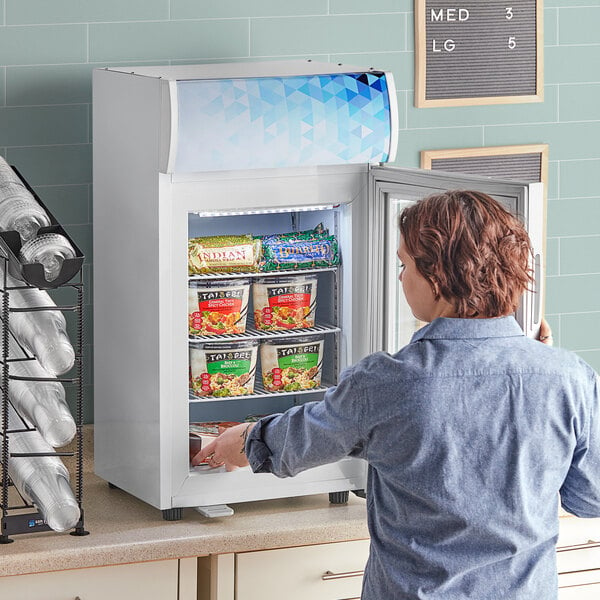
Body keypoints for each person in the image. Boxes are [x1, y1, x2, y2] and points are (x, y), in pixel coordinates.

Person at [192, 190, 600, 599]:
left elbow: (300, 439)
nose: (401, 277)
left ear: (436, 278)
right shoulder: (569, 378)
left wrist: (241, 441)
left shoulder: (387, 382)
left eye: (404, 264)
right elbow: (589, 498)